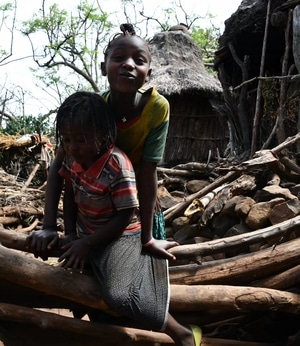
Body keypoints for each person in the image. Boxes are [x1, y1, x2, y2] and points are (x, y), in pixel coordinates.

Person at [32, 90, 201, 346]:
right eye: (66, 140)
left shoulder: (117, 166)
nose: (72, 146)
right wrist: (70, 235)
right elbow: (69, 195)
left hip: (122, 235)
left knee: (119, 296)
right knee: (65, 278)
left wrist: (87, 244)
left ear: (102, 136)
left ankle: (180, 332)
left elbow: (124, 217)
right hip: (88, 232)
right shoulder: (71, 158)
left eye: (80, 139)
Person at [27, 23, 173, 261]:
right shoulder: (93, 110)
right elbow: (61, 167)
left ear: (150, 73)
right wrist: (50, 226)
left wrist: (147, 237)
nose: (128, 64)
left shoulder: (157, 108)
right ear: (104, 68)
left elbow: (148, 171)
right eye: (119, 58)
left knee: (140, 262)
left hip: (134, 207)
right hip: (97, 202)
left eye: (139, 60)